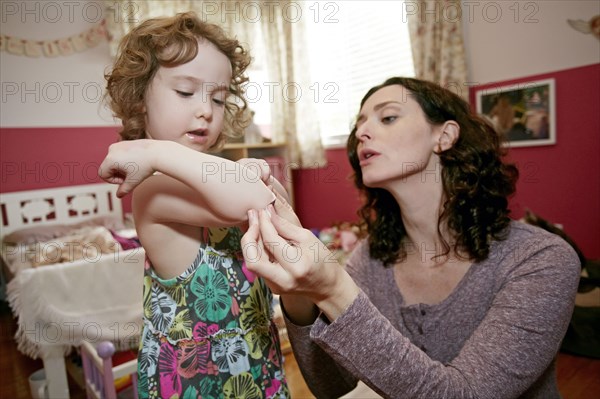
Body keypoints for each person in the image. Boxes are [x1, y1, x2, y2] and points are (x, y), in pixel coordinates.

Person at [241, 77, 581, 398]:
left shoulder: (541, 259)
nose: (362, 132)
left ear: (444, 136)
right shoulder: (371, 258)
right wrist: (297, 294)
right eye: (358, 124)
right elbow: (334, 387)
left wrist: (333, 289)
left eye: (388, 117)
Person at [99, 12, 290, 398]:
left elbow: (277, 206)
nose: (206, 109)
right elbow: (251, 200)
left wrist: (253, 176)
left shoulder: (216, 176)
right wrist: (156, 151)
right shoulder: (153, 191)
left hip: (255, 367)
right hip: (197, 384)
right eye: (186, 93)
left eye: (218, 98)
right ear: (138, 103)